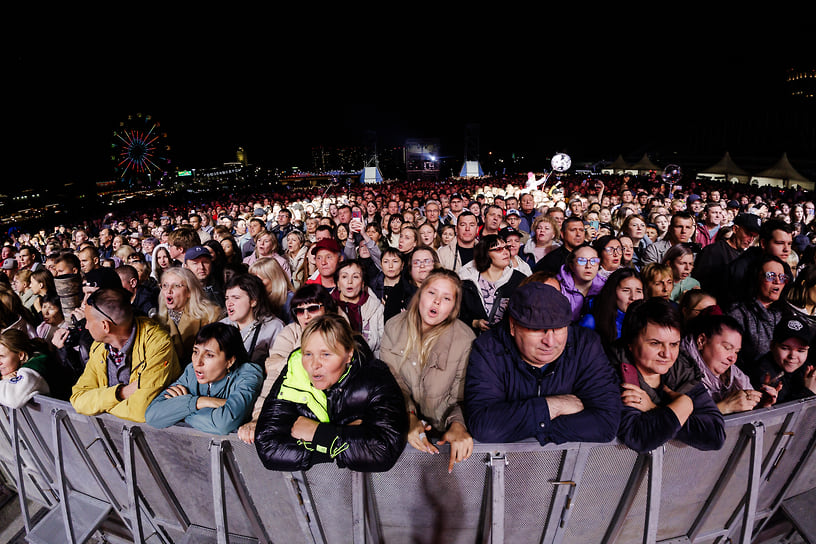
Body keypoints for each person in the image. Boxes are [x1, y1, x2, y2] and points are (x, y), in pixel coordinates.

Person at [464, 282, 621, 445]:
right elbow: (485, 427)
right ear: (513, 326)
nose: (550, 342)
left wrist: (523, 425)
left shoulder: (585, 345)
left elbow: (606, 423)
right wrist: (553, 406)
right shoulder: (489, 347)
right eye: (537, 329)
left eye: (559, 328)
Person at [254, 314, 408, 472]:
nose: (314, 364)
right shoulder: (295, 371)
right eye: (308, 354)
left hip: (372, 484)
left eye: (326, 354)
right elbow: (268, 447)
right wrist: (346, 437)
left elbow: (383, 450)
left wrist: (317, 433)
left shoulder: (375, 377)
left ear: (348, 355)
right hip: (316, 484)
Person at [381, 269, 475, 472]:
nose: (437, 301)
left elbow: (463, 397)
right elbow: (391, 383)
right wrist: (409, 416)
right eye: (432, 293)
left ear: (454, 307)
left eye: (446, 298)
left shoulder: (465, 339)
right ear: (420, 294)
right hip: (402, 437)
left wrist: (458, 425)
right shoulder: (393, 327)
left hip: (443, 441)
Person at [610, 298, 726, 454]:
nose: (667, 354)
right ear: (630, 343)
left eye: (673, 344)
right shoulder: (612, 372)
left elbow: (715, 434)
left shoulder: (681, 370)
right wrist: (683, 407)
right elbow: (637, 436)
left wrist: (656, 408)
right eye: (655, 343)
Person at [70, 288, 181, 422]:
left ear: (105, 326)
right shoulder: (99, 347)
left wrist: (99, 407)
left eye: (88, 320)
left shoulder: (158, 343)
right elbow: (77, 399)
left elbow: (141, 410)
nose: (86, 326)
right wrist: (121, 393)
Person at [145, 323, 263, 435]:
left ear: (230, 361)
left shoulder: (249, 373)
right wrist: (199, 402)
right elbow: (152, 416)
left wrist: (179, 411)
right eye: (196, 352)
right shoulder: (191, 371)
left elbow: (223, 424)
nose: (198, 362)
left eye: (209, 355)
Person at [681, 312, 772, 414]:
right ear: (702, 341)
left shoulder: (734, 374)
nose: (732, 359)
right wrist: (724, 407)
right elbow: (681, 422)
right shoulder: (680, 372)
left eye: (736, 352)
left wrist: (760, 405)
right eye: (727, 348)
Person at [727, 255, 788, 373]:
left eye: (782, 277)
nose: (777, 281)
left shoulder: (785, 313)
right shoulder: (738, 313)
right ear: (756, 278)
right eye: (770, 276)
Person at [459, 235, 526, 335]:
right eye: (498, 249)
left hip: (506, 340)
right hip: (475, 338)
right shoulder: (468, 282)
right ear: (485, 254)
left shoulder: (520, 280)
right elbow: (459, 315)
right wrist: (475, 323)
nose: (505, 252)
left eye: (506, 247)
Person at [157, 267, 223, 363]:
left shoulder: (211, 315)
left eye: (176, 286)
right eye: (165, 285)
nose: (169, 290)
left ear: (189, 291)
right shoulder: (156, 320)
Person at [220, 274, 284, 365]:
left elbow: (279, 365)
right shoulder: (222, 325)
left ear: (253, 301)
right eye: (227, 298)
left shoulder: (273, 327)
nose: (229, 303)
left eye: (236, 298)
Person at [750, 316, 814, 406]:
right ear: (772, 346)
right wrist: (808, 392)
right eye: (785, 348)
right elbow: (781, 412)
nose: (792, 356)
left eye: (801, 351)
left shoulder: (807, 368)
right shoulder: (762, 374)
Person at [0, 329, 72, 408]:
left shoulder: (35, 366)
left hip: (72, 413)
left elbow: (13, 399)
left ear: (21, 355)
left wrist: (4, 380)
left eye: (2, 357)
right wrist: (3, 378)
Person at [579, 268, 643, 351]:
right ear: (612, 293)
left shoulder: (647, 322)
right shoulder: (591, 322)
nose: (633, 297)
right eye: (626, 290)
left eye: (638, 291)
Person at [384, 246, 438, 321]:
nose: (422, 266)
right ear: (410, 268)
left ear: (435, 265)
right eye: (416, 262)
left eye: (427, 261)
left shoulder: (444, 290)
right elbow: (390, 324)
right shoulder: (397, 292)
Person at [556, 243, 606, 323]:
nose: (588, 266)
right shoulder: (558, 286)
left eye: (594, 261)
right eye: (582, 261)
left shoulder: (604, 287)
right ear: (572, 266)